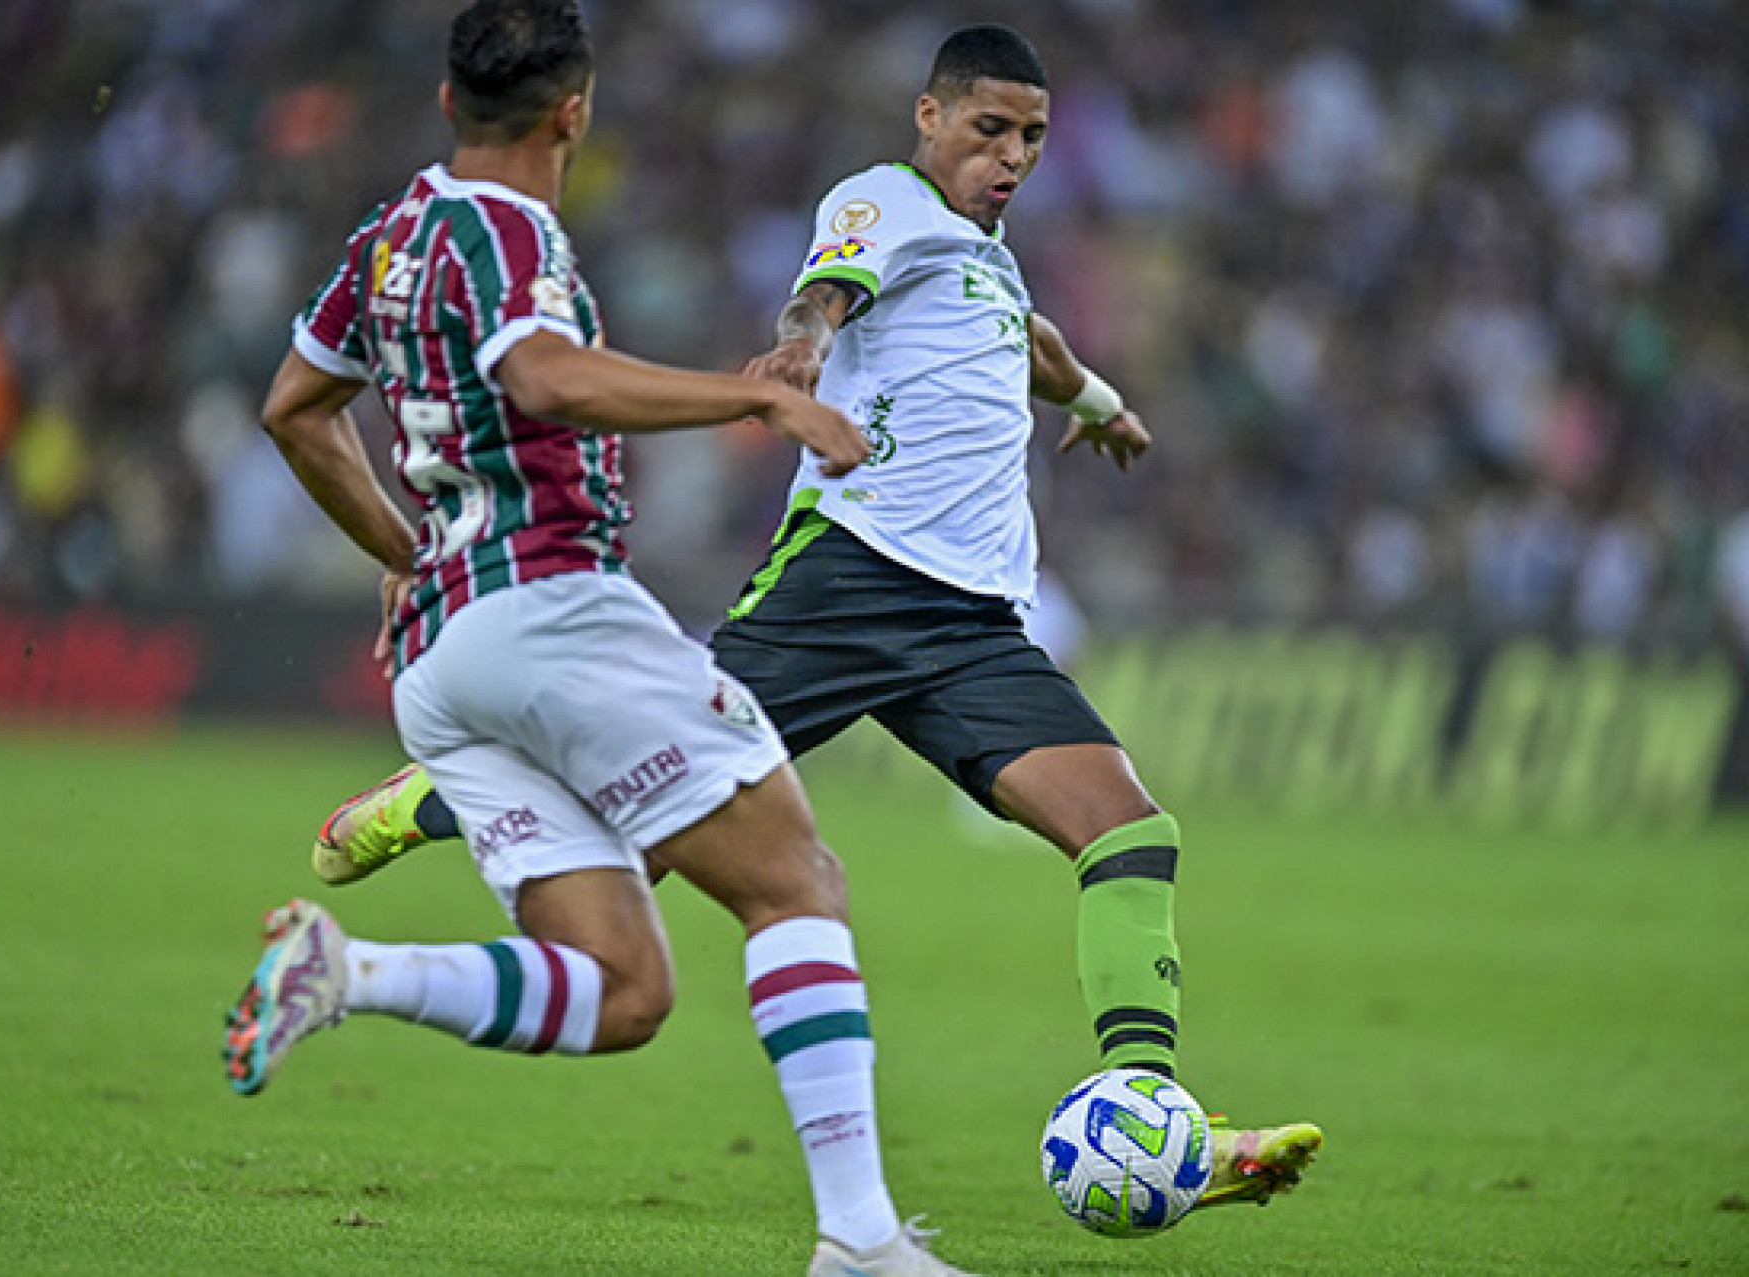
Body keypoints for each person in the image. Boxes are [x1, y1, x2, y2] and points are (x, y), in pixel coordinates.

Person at [311, 22, 1322, 1213]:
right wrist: (798, 352)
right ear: (929, 117)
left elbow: (1034, 346)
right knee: (638, 827)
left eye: (1033, 138)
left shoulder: (990, 260)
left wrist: (1098, 400)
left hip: (973, 629)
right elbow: (827, 291)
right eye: (989, 129)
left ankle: (1156, 1119)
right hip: (848, 581)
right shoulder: (884, 201)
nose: (1011, 157)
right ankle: (424, 800)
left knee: (1132, 836)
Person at [222, 5, 978, 1274]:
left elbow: (297, 406)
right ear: (575, 112)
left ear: (451, 104)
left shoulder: (394, 235)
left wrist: (410, 557)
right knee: (795, 881)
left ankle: (344, 968)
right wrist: (755, 393)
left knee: (624, 987)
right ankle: (859, 1240)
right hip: (556, 609)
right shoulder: (510, 229)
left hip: (442, 661)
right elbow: (547, 380)